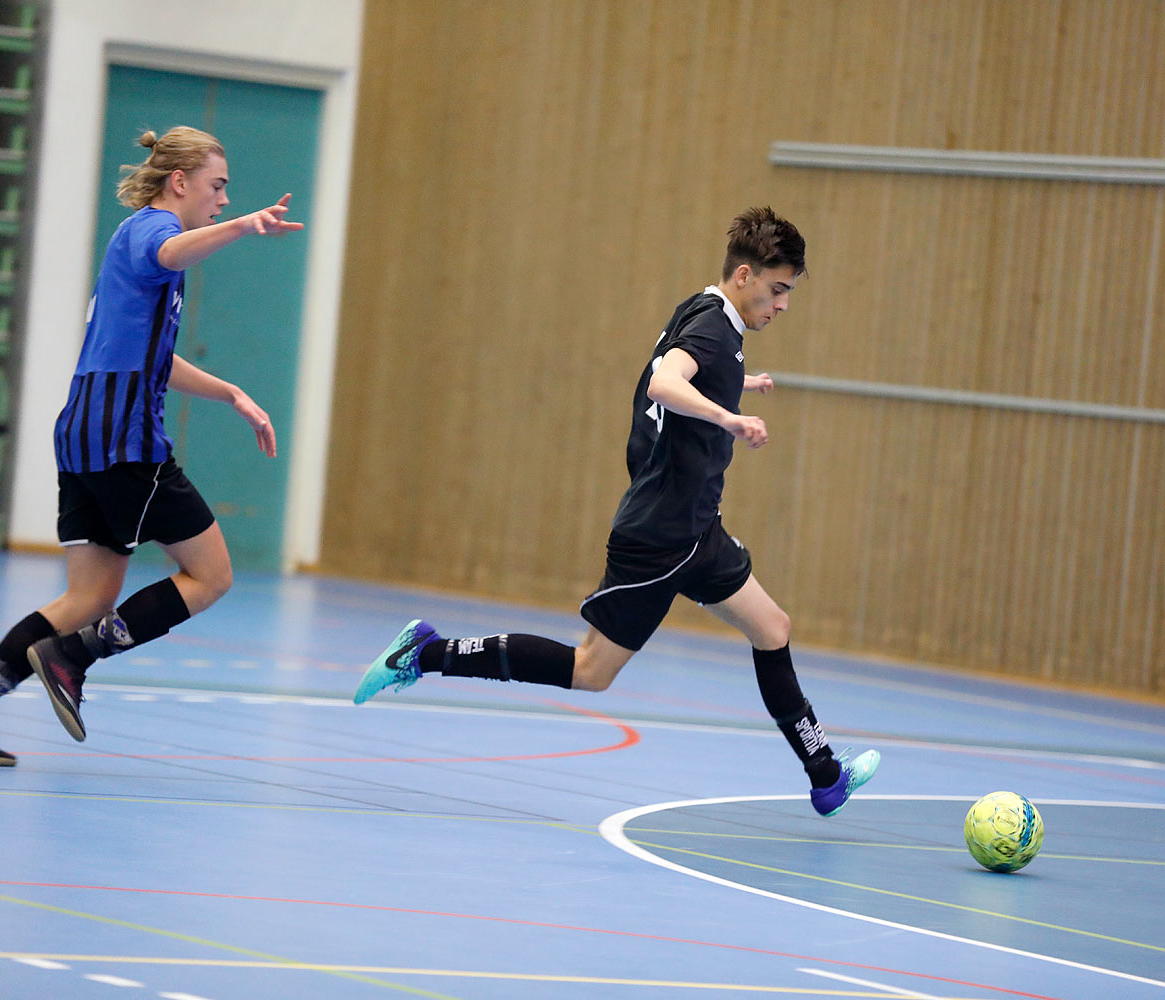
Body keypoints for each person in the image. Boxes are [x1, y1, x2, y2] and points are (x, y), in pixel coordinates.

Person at [353, 206, 878, 816]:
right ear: (743, 275)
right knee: (590, 671)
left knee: (772, 627)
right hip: (661, 536)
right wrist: (728, 417)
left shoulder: (708, 312)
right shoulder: (712, 329)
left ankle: (824, 775)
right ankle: (425, 653)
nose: (783, 304)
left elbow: (688, 375)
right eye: (777, 289)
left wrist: (741, 385)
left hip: (694, 529)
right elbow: (663, 381)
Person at [0, 126, 302, 764]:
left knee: (89, 598)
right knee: (211, 576)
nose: (223, 202)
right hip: (124, 438)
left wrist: (230, 392)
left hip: (85, 433)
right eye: (217, 187)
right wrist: (244, 230)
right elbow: (171, 254)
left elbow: (154, 359)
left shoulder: (138, 248)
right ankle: (74, 657)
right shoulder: (151, 232)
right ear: (179, 183)